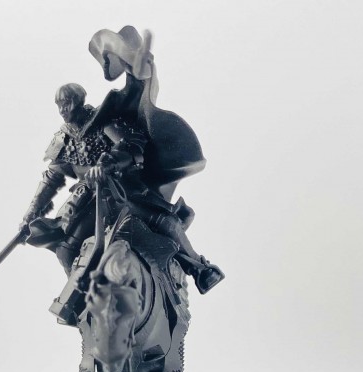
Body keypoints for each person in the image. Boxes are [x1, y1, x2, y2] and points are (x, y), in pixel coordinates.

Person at [21, 28, 223, 295]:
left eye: (67, 104)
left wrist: (107, 163)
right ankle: (84, 299)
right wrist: (31, 213)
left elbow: (132, 144)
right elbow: (51, 178)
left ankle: (200, 269)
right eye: (59, 105)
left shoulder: (102, 120)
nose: (62, 110)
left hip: (121, 190)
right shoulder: (62, 138)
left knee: (161, 221)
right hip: (88, 200)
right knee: (66, 248)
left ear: (78, 102)